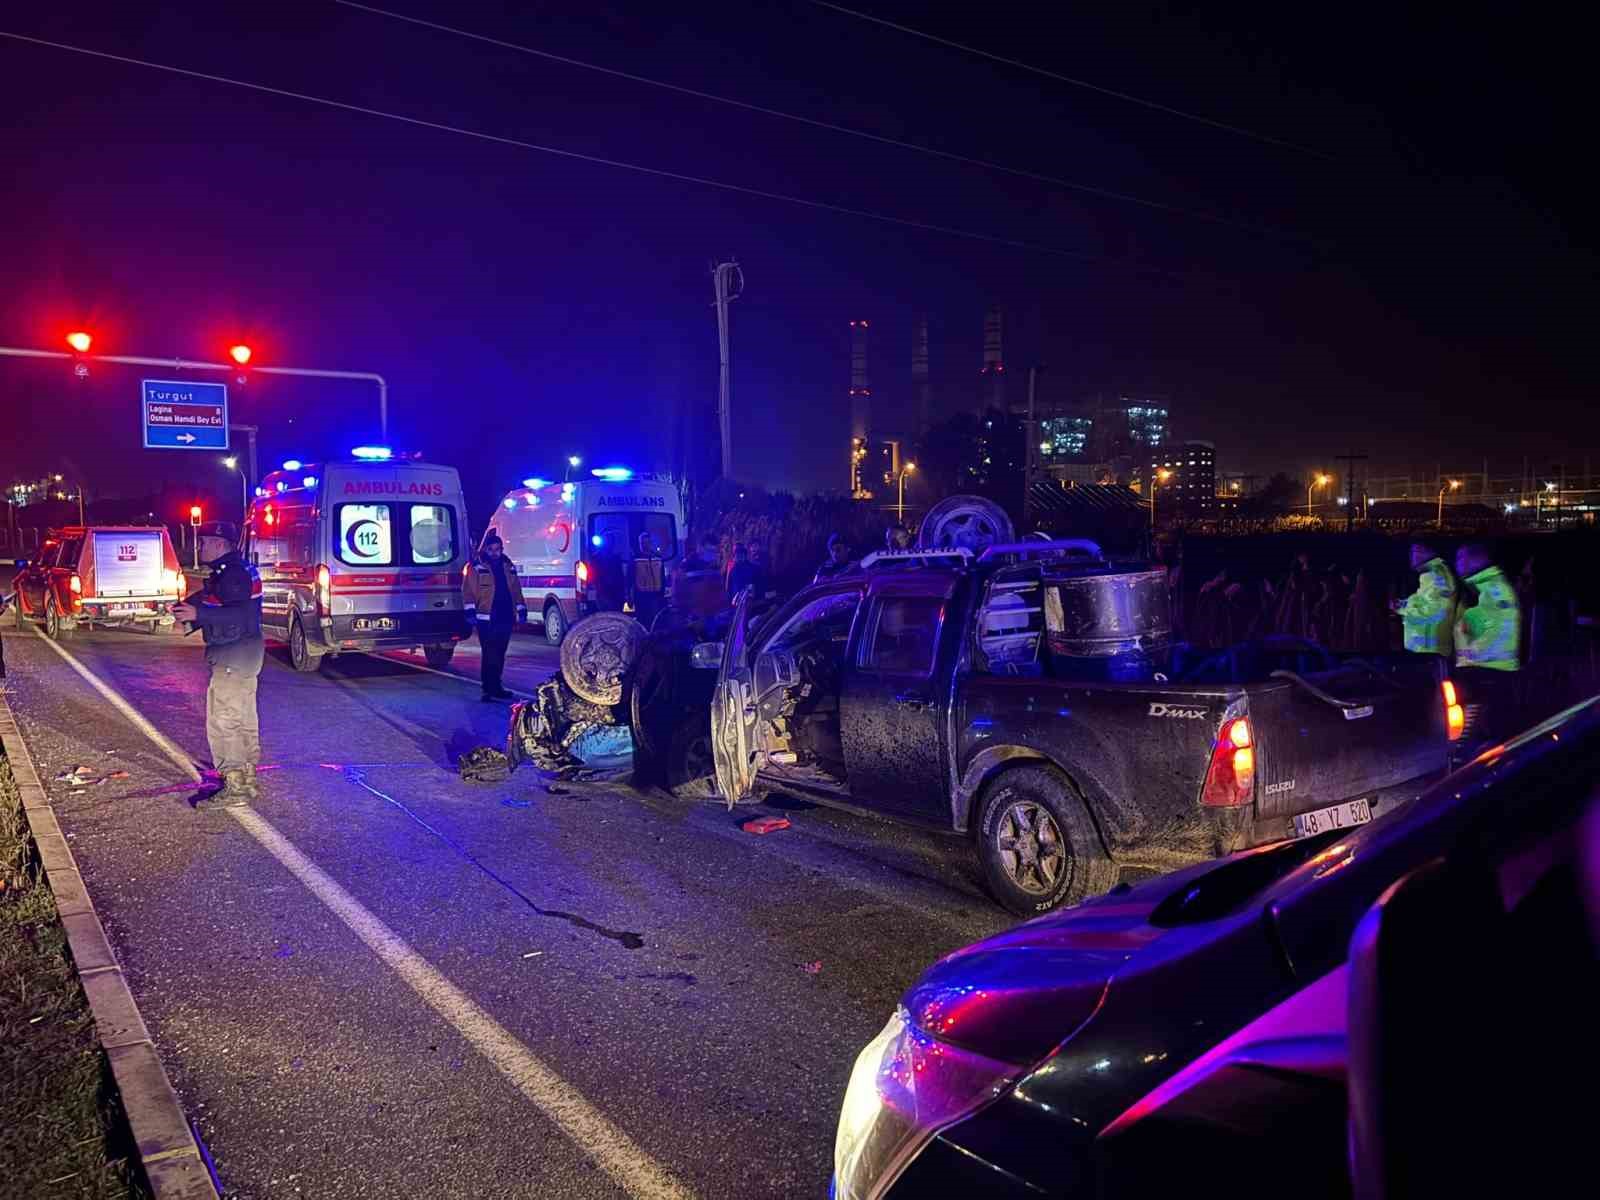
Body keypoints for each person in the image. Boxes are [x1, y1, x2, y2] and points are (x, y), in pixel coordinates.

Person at [170, 523, 263, 807]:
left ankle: (234, 783)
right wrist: (190, 615)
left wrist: (197, 613)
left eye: (205, 542)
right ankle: (246, 776)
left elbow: (238, 615)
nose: (200, 548)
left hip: (232, 655)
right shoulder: (236, 571)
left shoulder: (232, 575)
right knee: (243, 716)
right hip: (246, 654)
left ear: (220, 544)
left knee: (223, 720)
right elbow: (214, 601)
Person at [1453, 543, 1521, 745]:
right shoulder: (1483, 586)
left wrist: (1468, 654)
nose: (1457, 564)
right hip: (1487, 673)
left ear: (1477, 560)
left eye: (1461, 558)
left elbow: (1497, 627)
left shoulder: (1492, 588)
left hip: (1488, 673)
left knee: (1484, 733)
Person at [463, 532, 526, 702]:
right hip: (486, 618)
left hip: (505, 616)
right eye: (491, 549)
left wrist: (521, 609)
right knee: (489, 653)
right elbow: (468, 591)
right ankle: (487, 688)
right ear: (485, 549)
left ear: (501, 549)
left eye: (497, 549)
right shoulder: (476, 567)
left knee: (500, 652)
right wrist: (470, 612)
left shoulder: (508, 565)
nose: (494, 552)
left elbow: (516, 590)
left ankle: (497, 686)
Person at [1394, 542, 1459, 659]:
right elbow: (1424, 601)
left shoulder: (1438, 574)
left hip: (1430, 654)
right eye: (1412, 551)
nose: (1413, 556)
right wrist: (1404, 603)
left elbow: (1436, 611)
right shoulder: (1430, 575)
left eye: (1418, 550)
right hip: (1423, 652)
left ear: (1432, 551)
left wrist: (1402, 608)